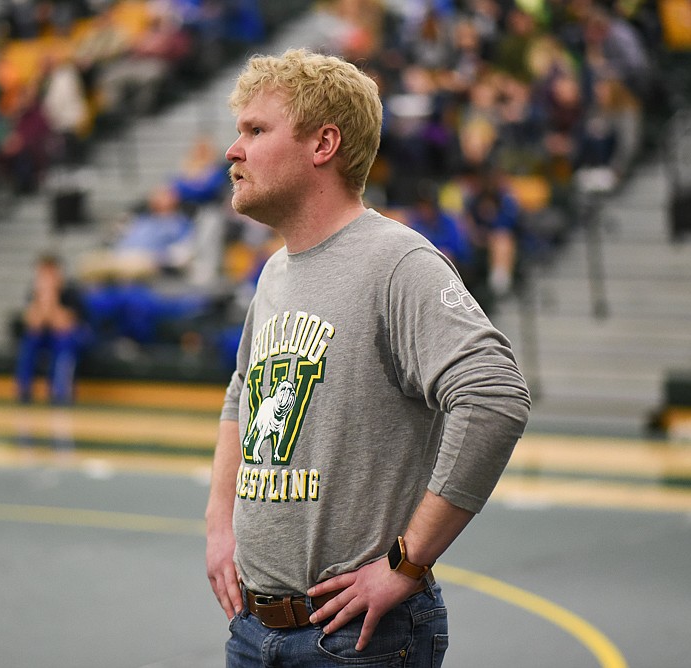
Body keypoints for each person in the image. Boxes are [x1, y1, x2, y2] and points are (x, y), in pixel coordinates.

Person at [205, 48, 531, 666]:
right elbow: (242, 391)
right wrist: (219, 524)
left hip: (356, 639)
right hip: (254, 627)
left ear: (323, 144)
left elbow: (494, 394)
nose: (232, 150)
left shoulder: (396, 262)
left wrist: (408, 562)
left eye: (255, 130)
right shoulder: (276, 269)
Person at [14, 253, 85, 404]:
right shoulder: (34, 293)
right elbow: (33, 324)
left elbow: (63, 325)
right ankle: (24, 389)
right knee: (31, 340)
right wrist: (43, 299)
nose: (46, 277)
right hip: (44, 335)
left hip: (69, 336)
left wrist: (51, 298)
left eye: (49, 272)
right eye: (42, 273)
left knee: (64, 342)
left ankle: (59, 391)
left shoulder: (71, 292)